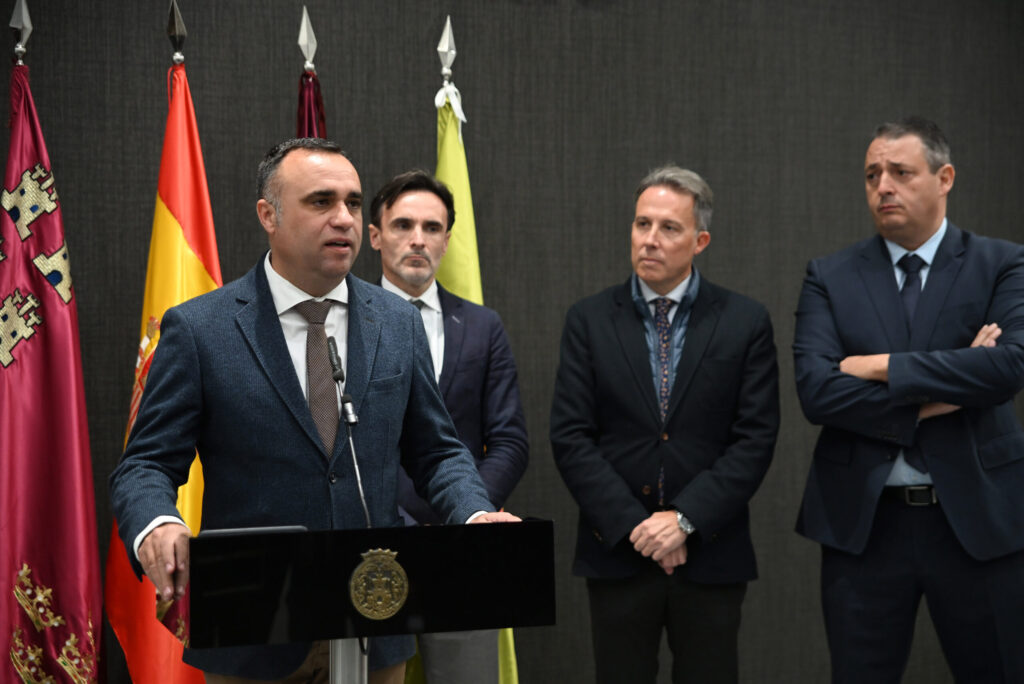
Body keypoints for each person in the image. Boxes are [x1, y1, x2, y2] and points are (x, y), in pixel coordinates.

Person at [109, 138, 517, 684]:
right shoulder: (201, 328)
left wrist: (474, 514)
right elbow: (145, 465)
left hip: (375, 620)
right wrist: (157, 524)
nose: (344, 218)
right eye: (321, 201)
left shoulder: (398, 322)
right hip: (253, 626)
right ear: (268, 215)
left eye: (352, 202)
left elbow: (438, 452)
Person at [793, 116, 1024, 682]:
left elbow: (1008, 368)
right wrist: (947, 390)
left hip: (979, 519)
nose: (883, 187)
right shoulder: (830, 275)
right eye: (872, 175)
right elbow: (818, 392)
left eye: (900, 172)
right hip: (864, 527)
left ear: (945, 178)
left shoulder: (1002, 263)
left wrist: (879, 367)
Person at [550, 165, 779, 683]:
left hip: (711, 554)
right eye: (642, 224)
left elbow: (755, 439)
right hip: (619, 552)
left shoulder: (744, 321)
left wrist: (684, 520)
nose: (650, 239)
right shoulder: (588, 320)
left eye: (669, 228)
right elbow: (570, 436)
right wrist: (638, 527)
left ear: (700, 241)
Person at [366, 169, 529, 684]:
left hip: (464, 550)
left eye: (432, 228)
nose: (418, 239)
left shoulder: (483, 326)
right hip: (372, 543)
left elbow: (509, 441)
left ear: (447, 239)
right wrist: (403, 525)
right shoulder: (344, 325)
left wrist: (468, 514)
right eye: (403, 225)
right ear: (375, 235)